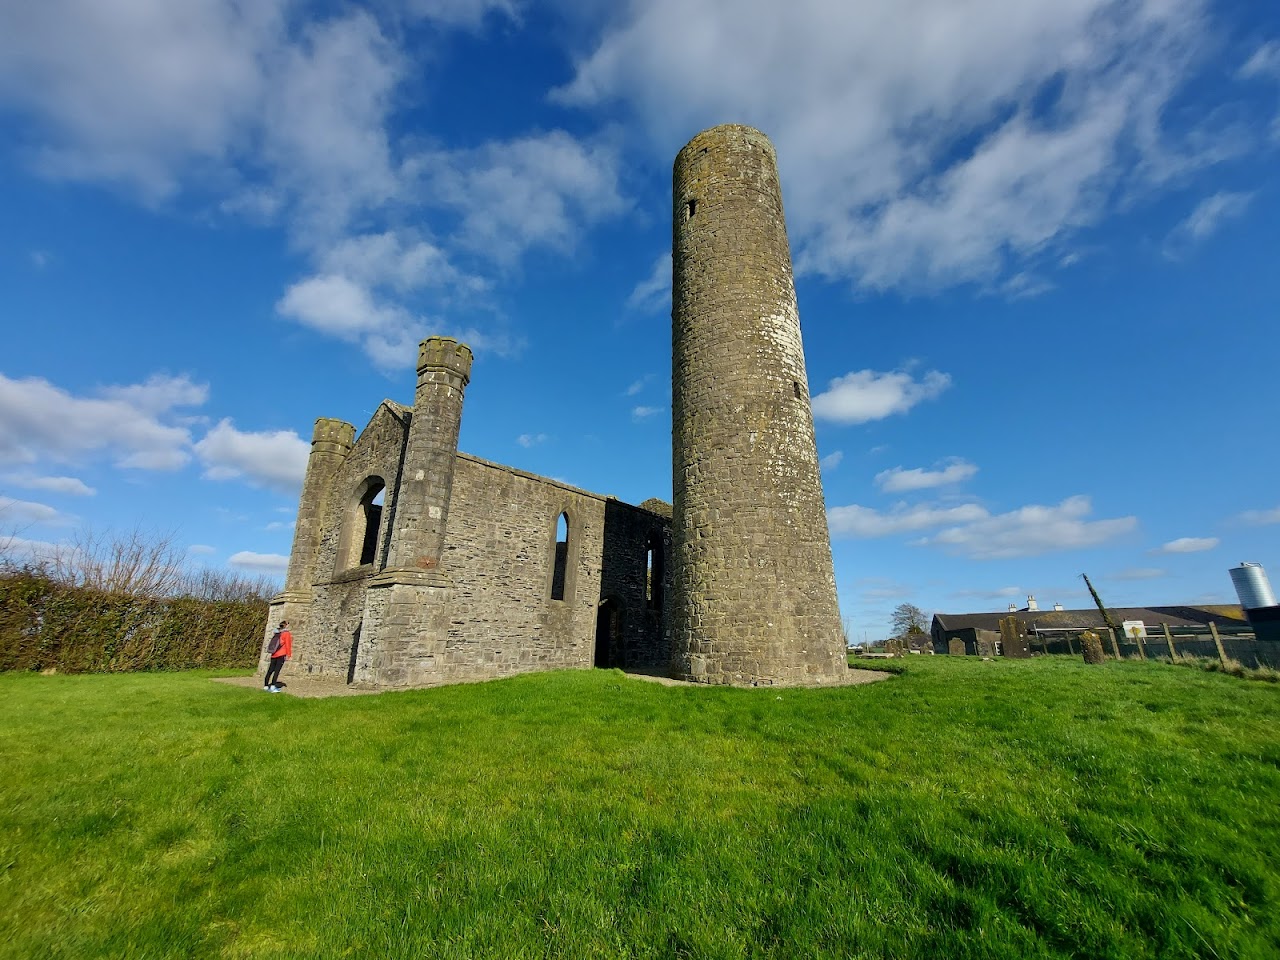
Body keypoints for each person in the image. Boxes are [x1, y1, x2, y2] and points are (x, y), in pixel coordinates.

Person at [264, 620, 292, 692]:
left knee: (270, 670)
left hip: (274, 654)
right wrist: (289, 654)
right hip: (281, 654)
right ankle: (273, 686)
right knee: (277, 671)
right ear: (286, 625)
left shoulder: (276, 632)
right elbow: (288, 645)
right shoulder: (286, 634)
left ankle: (266, 686)